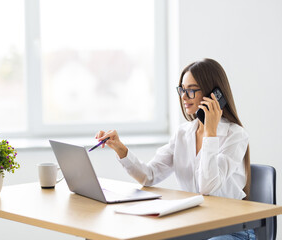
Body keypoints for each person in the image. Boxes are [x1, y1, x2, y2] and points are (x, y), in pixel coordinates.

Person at [95, 58, 255, 240]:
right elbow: (149, 175)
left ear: (214, 95)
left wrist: (210, 132)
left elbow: (207, 187)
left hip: (230, 229)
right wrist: (120, 149)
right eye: (182, 89)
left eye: (191, 90)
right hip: (194, 225)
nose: (184, 97)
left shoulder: (235, 135)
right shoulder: (183, 133)